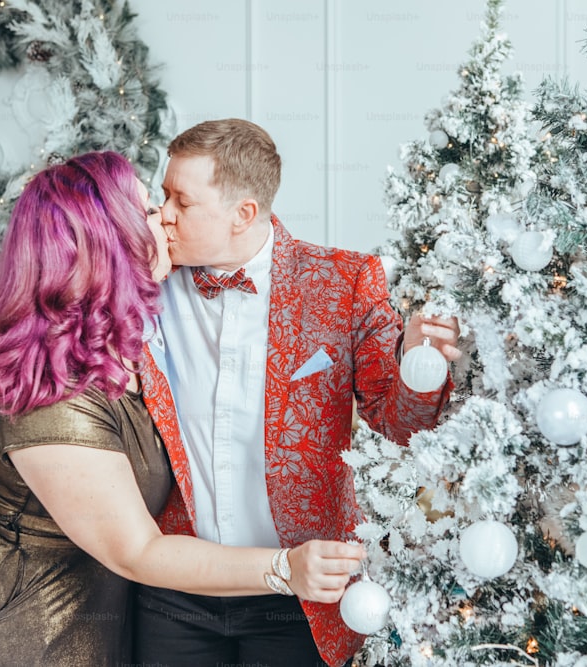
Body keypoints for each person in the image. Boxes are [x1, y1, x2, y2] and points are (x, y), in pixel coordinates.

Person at [0, 151, 366, 666]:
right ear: (105, 245)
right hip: (3, 598)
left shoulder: (124, 329)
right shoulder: (55, 395)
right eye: (146, 208)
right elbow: (138, 551)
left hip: (91, 582)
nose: (164, 216)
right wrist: (283, 569)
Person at [133, 120, 463, 667]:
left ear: (242, 214)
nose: (161, 213)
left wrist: (416, 366)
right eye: (163, 195)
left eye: (180, 201)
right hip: (176, 589)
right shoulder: (150, 280)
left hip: (301, 591)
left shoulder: (346, 281)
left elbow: (399, 425)